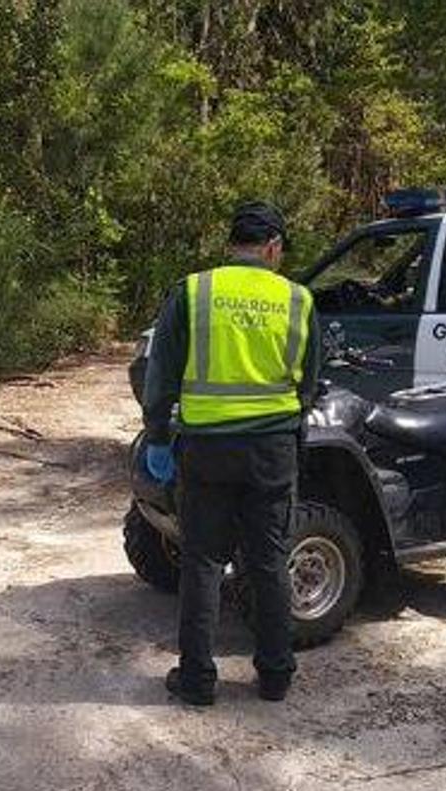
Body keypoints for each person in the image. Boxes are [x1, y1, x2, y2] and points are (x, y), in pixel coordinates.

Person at [142, 201, 320, 706]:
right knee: (268, 562)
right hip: (272, 450)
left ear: (231, 246)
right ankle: (275, 676)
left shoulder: (195, 292)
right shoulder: (299, 300)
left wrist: (157, 435)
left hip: (207, 451)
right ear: (273, 248)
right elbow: (308, 383)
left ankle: (198, 681)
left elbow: (161, 377)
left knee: (201, 563)